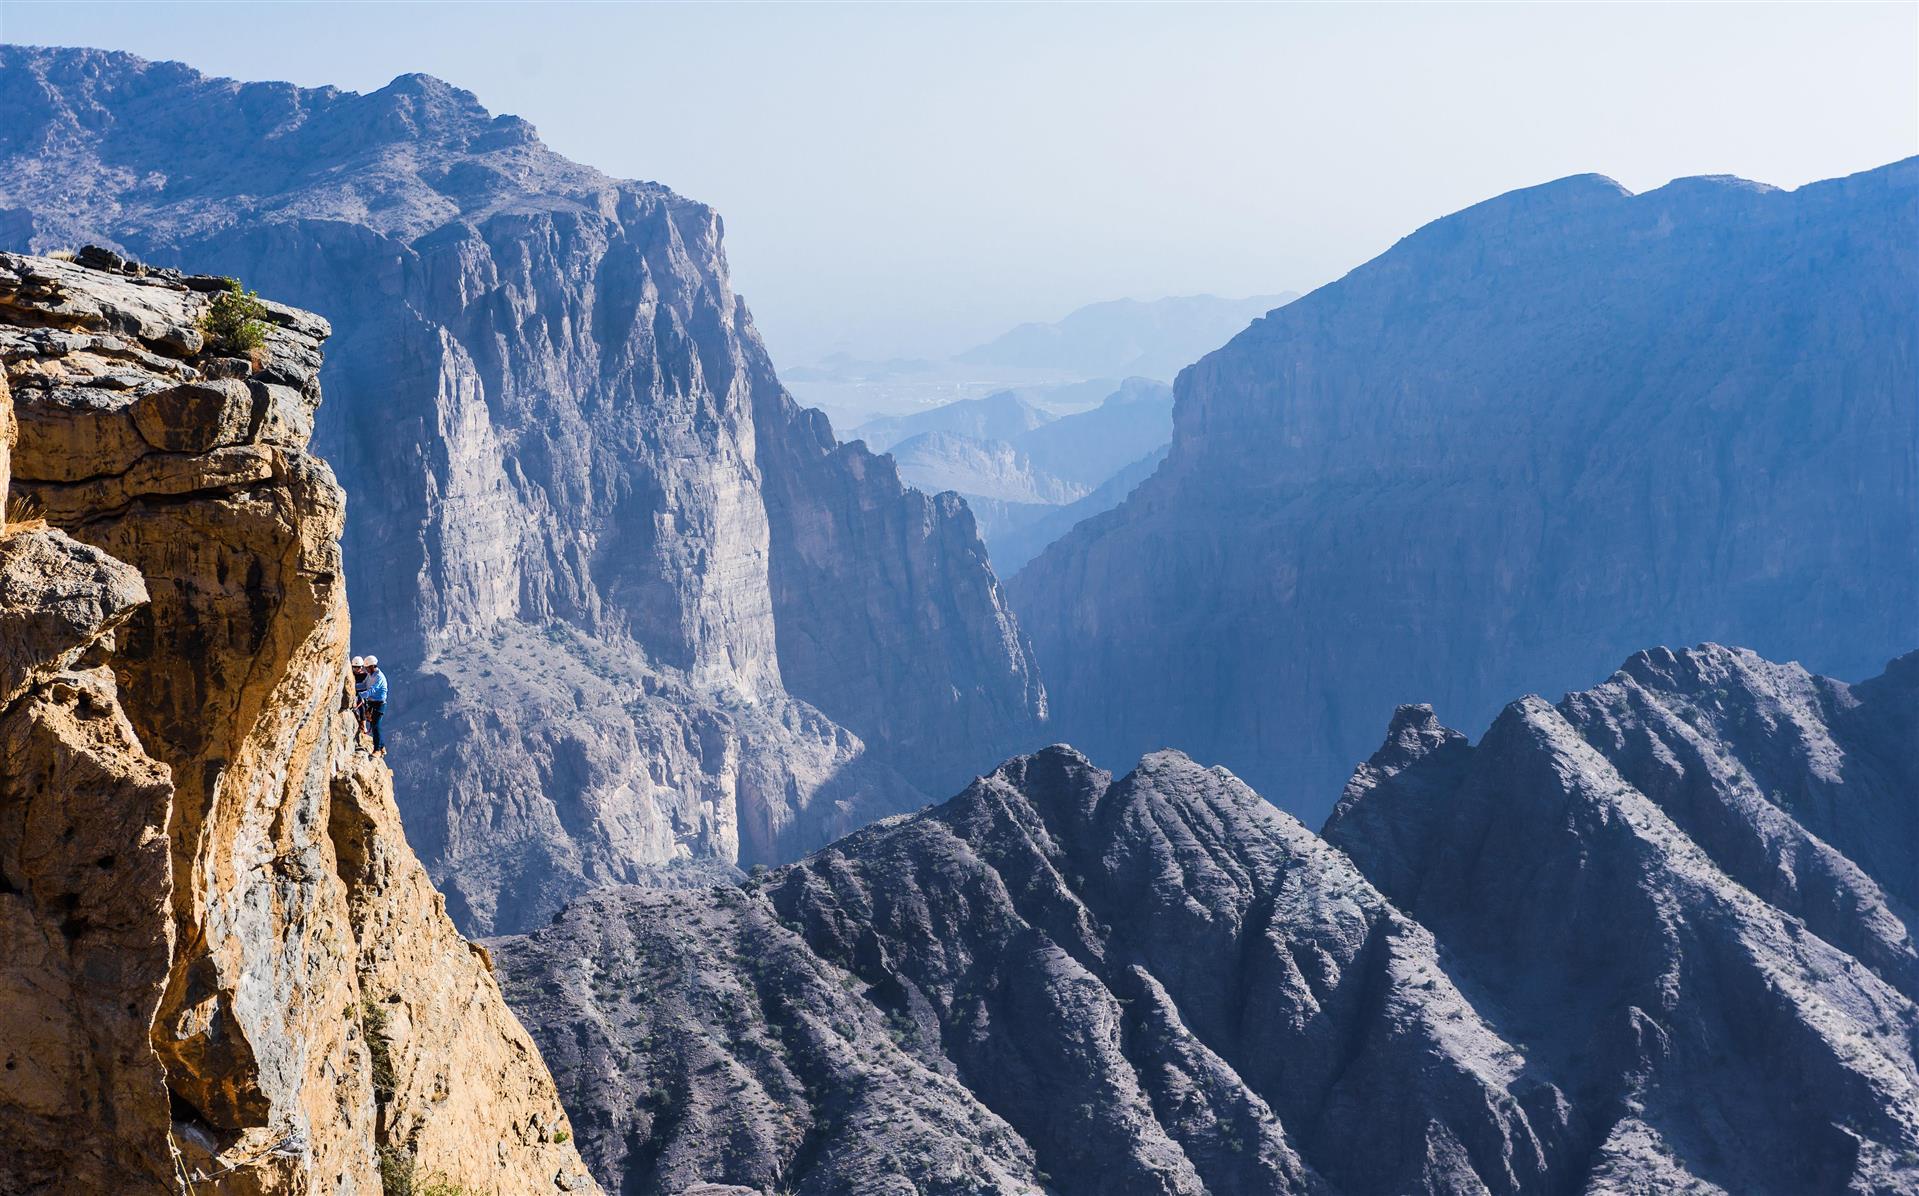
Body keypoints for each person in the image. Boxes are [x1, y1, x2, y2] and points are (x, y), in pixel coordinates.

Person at [360, 655, 388, 756]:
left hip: (379, 704)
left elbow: (372, 690)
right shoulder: (370, 675)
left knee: (376, 726)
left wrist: (361, 694)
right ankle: (382, 746)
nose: (366, 670)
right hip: (372, 703)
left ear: (372, 666)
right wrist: (354, 687)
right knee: (374, 725)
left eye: (367, 668)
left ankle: (377, 750)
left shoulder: (379, 677)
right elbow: (364, 685)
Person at [350, 656, 370, 747]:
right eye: (357, 667)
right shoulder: (351, 674)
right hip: (354, 695)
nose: (359, 669)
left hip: (362, 696)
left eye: (361, 667)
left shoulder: (365, 676)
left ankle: (363, 727)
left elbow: (366, 686)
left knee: (362, 708)